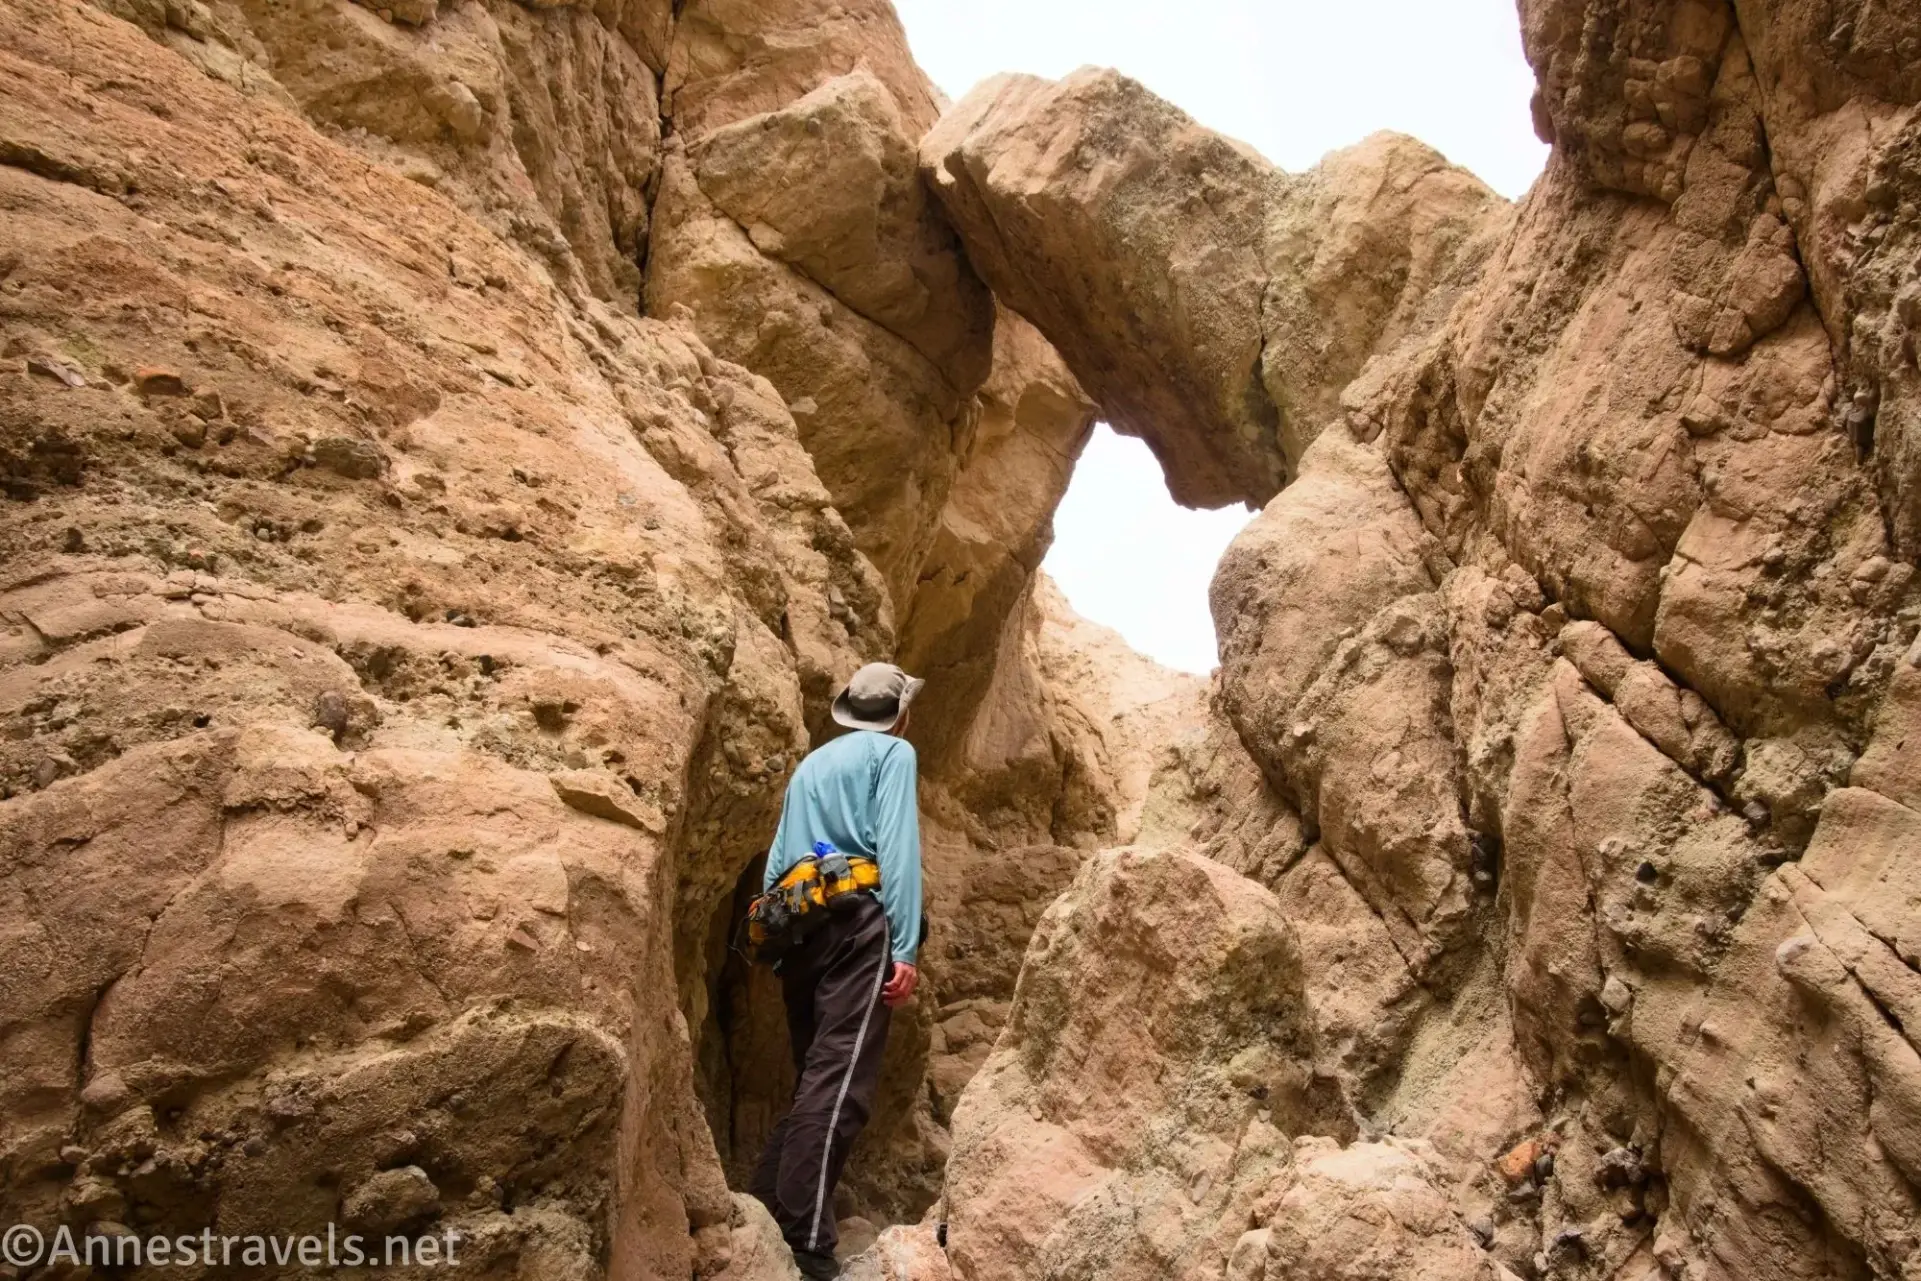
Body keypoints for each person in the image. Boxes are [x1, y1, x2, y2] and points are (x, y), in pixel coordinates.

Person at [749, 662, 925, 1280]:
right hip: (858, 924)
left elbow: (776, 863)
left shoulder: (810, 766)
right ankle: (806, 1241)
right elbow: (899, 850)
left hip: (799, 932)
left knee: (816, 1081)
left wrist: (779, 948)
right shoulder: (893, 755)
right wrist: (905, 946)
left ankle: (767, 1209)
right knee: (841, 1086)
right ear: (899, 713)